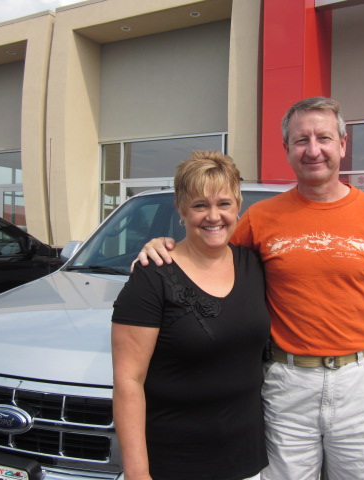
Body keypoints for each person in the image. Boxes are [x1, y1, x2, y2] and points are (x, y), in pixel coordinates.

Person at [136, 97, 364, 480]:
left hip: (359, 384)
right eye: (301, 140)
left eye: (324, 138)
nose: (313, 150)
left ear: (342, 145)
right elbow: (210, 256)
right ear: (287, 150)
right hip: (286, 385)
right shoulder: (260, 219)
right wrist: (164, 249)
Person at [111, 151, 270, 480]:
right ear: (181, 210)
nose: (214, 216)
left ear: (238, 207)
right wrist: (137, 473)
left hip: (248, 460)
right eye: (200, 205)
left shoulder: (253, 265)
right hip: (175, 462)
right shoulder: (153, 275)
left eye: (224, 203)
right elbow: (128, 382)